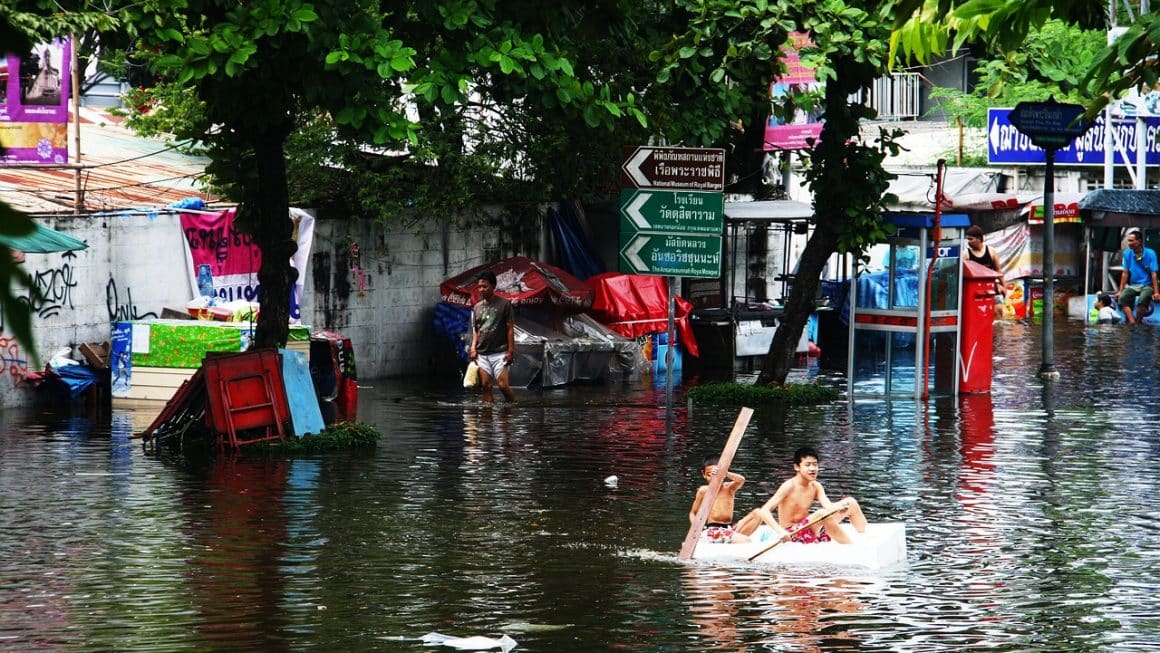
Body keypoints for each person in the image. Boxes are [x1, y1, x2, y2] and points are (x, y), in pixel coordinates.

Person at [734, 446, 867, 545]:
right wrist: (781, 532)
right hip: (792, 534)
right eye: (808, 465)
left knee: (851, 502)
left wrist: (840, 509)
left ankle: (865, 536)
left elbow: (828, 506)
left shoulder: (816, 486)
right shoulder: (789, 486)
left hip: (809, 529)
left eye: (815, 465)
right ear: (797, 467)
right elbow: (764, 511)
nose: (812, 469)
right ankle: (850, 547)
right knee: (820, 513)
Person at [469, 270, 516, 403]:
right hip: (482, 353)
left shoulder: (504, 304)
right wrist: (473, 348)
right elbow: (476, 331)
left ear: (493, 286)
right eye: (479, 287)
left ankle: (512, 409)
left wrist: (511, 351)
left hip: (500, 352)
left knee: (502, 385)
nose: (481, 289)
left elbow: (509, 329)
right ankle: (487, 421)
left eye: (485, 286)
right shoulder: (477, 307)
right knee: (486, 386)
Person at [688, 456, 750, 544]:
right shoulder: (703, 491)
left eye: (716, 475)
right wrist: (696, 528)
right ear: (704, 474)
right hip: (714, 529)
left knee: (757, 514)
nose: (713, 478)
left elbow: (741, 480)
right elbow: (693, 513)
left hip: (729, 527)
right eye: (709, 475)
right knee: (746, 540)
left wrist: (725, 472)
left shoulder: (729, 488)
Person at [1116, 228, 1160, 325]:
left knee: (1142, 300)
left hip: (1147, 285)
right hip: (1134, 285)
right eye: (1128, 240)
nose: (1129, 243)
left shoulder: (1150, 253)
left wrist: (1156, 292)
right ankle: (1132, 323)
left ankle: (1138, 322)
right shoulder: (1127, 253)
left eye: (1131, 241)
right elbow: (1125, 273)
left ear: (1139, 241)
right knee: (1122, 298)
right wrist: (1120, 290)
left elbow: (1154, 274)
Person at [964, 225, 1006, 297]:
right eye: (968, 239)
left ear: (979, 239)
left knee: (998, 307)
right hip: (974, 290)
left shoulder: (991, 251)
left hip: (990, 287)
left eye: (971, 239)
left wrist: (1004, 286)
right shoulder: (966, 254)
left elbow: (998, 270)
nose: (968, 242)